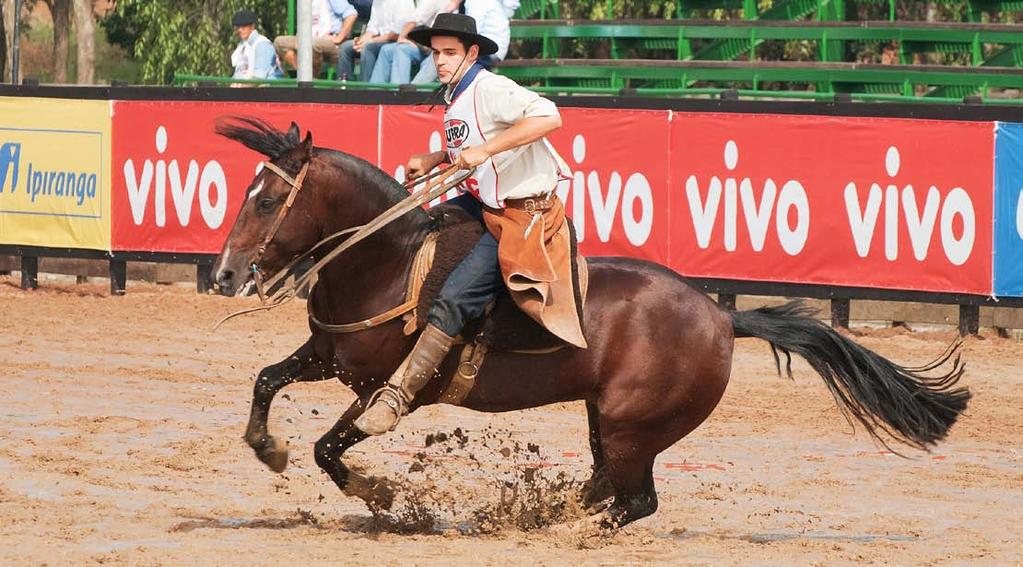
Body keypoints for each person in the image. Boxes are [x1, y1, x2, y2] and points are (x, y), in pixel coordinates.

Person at [354, 13, 585, 436]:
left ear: (472, 53)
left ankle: (398, 396)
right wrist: (437, 158)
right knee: (414, 228)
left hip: (520, 213)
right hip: (484, 204)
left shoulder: (491, 87)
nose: (440, 61)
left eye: (450, 53)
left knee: (455, 297)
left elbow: (550, 116)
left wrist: (486, 150)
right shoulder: (456, 94)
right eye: (436, 52)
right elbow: (471, 143)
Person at [410, 0, 508, 83]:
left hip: (487, 51)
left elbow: (471, 30)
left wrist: (451, 6)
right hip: (474, 44)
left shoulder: (477, 2)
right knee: (438, 53)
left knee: (440, 56)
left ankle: (414, 91)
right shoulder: (464, 3)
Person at [368, 0, 451, 84]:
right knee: (386, 50)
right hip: (423, 42)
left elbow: (415, 19)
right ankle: (374, 90)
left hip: (434, 44)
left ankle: (399, 91)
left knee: (401, 49)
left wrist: (401, 37)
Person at [274, 0, 358, 77]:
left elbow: (351, 14)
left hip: (331, 42)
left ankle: (311, 80)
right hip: (309, 39)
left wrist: (339, 38)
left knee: (310, 44)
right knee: (280, 42)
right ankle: (306, 76)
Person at [336, 0, 415, 81]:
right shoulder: (377, 1)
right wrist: (361, 40)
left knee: (368, 48)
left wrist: (371, 41)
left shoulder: (403, 2)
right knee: (346, 47)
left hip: (398, 40)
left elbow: (397, 34)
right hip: (380, 39)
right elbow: (372, 28)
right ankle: (343, 86)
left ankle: (366, 89)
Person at [230, 9, 283, 81]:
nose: (240, 30)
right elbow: (239, 73)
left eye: (243, 26)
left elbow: (259, 77)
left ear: (252, 26)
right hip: (249, 88)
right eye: (238, 27)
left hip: (268, 89)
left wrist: (239, 86)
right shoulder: (241, 46)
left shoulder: (262, 44)